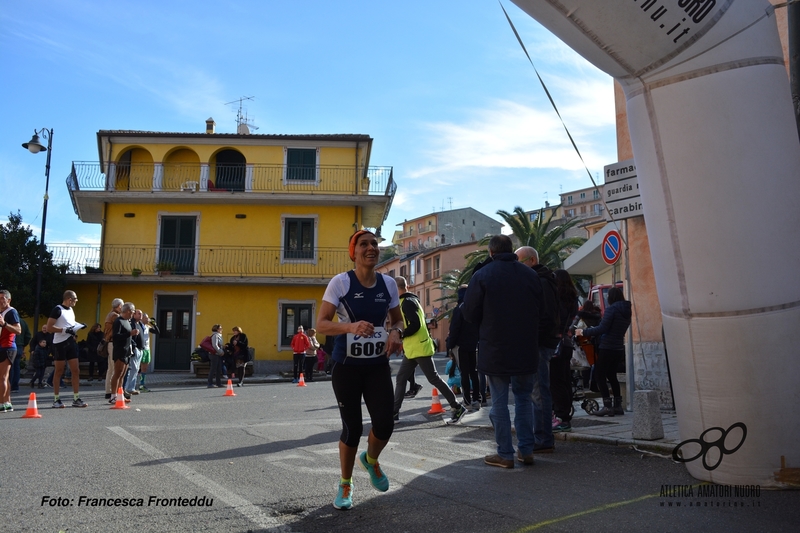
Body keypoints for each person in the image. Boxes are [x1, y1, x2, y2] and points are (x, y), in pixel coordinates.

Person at [315, 229, 404, 510]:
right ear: (353, 252)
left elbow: (398, 321)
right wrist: (350, 327)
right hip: (347, 367)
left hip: (377, 365)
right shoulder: (340, 283)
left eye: (375, 244)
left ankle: (372, 460)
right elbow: (322, 325)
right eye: (363, 244)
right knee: (352, 429)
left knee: (385, 423)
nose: (371, 248)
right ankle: (345, 483)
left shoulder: (388, 285)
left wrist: (395, 334)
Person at [462, 235, 542, 468]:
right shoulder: (531, 274)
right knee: (523, 399)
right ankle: (526, 450)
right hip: (526, 347)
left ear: (491, 253)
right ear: (512, 252)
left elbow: (469, 313)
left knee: (498, 401)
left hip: (495, 347)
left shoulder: (482, 276)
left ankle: (505, 454)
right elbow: (542, 308)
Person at [392, 276, 466, 423]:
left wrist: (400, 334)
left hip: (419, 348)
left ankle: (457, 406)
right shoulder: (411, 300)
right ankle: (394, 413)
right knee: (401, 378)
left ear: (396, 289)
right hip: (414, 348)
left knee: (434, 378)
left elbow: (415, 325)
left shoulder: (406, 303)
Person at [516, 246, 560, 454]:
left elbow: (546, 316)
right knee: (538, 390)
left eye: (520, 262)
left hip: (540, 343)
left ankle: (543, 438)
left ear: (532, 260)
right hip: (541, 342)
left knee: (539, 391)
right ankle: (542, 436)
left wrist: (533, 337)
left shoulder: (541, 281)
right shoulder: (543, 279)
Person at [575, 287, 632, 417]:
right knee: (612, 375)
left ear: (611, 297)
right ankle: (618, 406)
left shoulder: (612, 309)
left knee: (599, 375)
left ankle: (607, 407)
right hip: (618, 347)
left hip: (607, 347)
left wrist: (583, 332)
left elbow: (602, 328)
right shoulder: (627, 311)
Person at [46, 290, 88, 408]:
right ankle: (56, 399)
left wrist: (79, 325)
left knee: (76, 370)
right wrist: (64, 330)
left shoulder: (70, 310)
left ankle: (76, 398)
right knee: (59, 371)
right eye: (75, 299)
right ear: (69, 299)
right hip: (59, 343)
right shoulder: (57, 309)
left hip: (70, 342)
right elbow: (49, 327)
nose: (76, 301)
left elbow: (70, 323)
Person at [550, 269, 580, 433]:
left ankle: (561, 417)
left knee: (556, 382)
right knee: (565, 381)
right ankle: (564, 415)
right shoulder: (573, 300)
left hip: (556, 344)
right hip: (567, 344)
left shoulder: (557, 300)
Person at [447, 284, 481, 409]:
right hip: (473, 344)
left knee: (464, 373)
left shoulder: (459, 309)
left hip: (460, 345)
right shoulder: (475, 309)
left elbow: (455, 328)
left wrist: (450, 344)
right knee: (474, 372)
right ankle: (477, 399)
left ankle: (467, 401)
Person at [110, 302, 140, 403]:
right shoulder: (118, 321)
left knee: (122, 375)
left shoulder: (127, 321)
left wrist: (132, 336)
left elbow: (128, 336)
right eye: (132, 311)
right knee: (117, 373)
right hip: (120, 350)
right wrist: (129, 333)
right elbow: (116, 336)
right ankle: (113, 396)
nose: (133, 314)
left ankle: (120, 395)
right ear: (128, 311)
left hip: (127, 350)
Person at [0, 290, 22, 412]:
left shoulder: (11, 312)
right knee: (5, 377)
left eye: (3, 298)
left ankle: (2, 403)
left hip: (7, 347)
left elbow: (18, 330)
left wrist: (4, 324)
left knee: (2, 377)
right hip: (2, 346)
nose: (0, 300)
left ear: (9, 300)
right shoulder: (1, 312)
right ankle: (7, 402)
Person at [103, 298, 124, 400]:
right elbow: (121, 324)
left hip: (110, 343)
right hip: (112, 343)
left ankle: (108, 391)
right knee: (114, 368)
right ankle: (112, 392)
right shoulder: (115, 316)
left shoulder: (109, 314)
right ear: (119, 306)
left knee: (110, 368)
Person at [137, 313, 158, 391]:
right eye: (146, 318)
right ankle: (131, 384)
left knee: (144, 368)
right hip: (140, 348)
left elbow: (157, 332)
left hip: (147, 349)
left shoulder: (147, 327)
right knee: (136, 367)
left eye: (148, 318)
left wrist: (154, 324)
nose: (147, 319)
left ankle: (142, 384)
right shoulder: (138, 326)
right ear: (142, 318)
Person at [11, 317, 31, 393]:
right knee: (16, 367)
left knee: (9, 367)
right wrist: (23, 345)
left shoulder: (8, 320)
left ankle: (8, 385)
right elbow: (28, 336)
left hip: (9, 345)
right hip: (19, 346)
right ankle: (15, 387)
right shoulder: (23, 322)